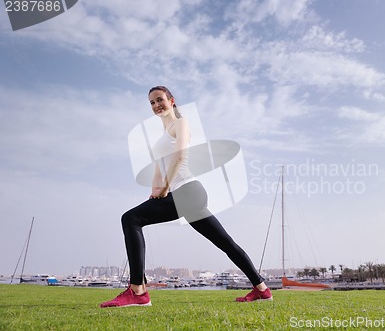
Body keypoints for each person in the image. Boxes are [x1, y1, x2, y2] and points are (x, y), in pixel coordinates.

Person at [100, 86, 272, 308]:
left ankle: (138, 292)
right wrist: (155, 190)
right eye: (151, 102)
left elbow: (180, 156)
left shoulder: (181, 123)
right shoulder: (162, 135)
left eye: (159, 100)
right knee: (226, 243)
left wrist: (165, 188)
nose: (156, 105)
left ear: (172, 101)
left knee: (131, 219)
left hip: (187, 191)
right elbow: (159, 168)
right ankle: (262, 289)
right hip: (185, 194)